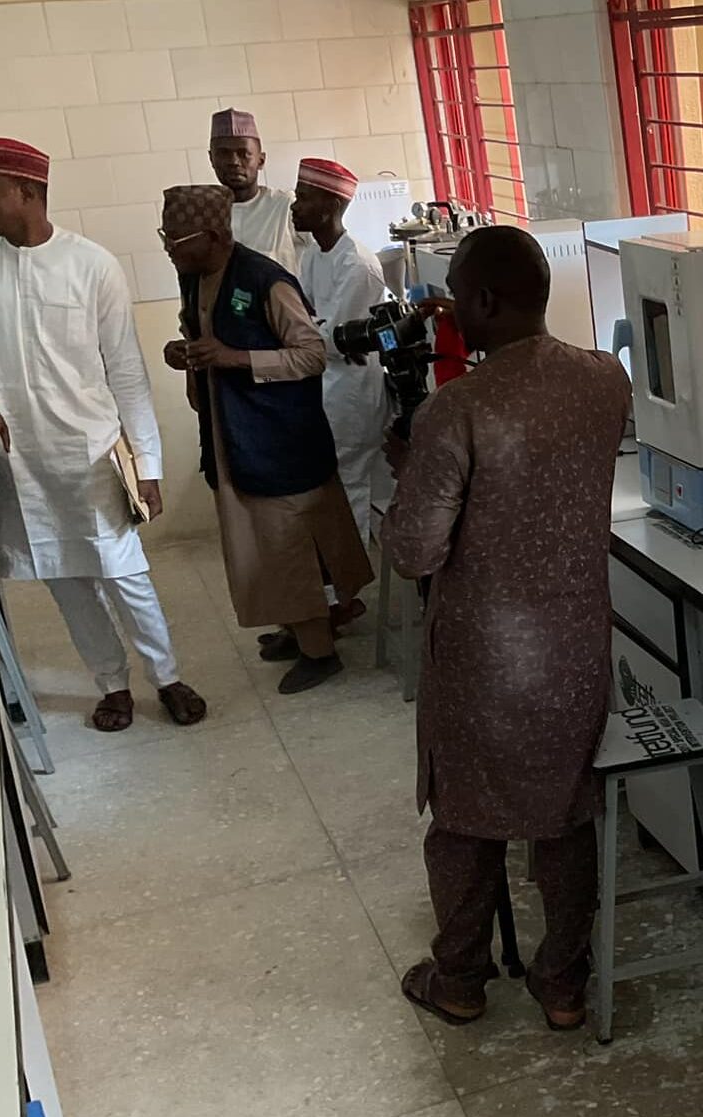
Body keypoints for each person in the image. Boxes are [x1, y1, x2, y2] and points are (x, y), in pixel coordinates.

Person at [386, 226, 631, 1030]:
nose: (451, 308)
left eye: (456, 293)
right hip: (574, 647)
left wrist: (407, 476)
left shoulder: (456, 410)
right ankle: (563, 984)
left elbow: (416, 551)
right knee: (563, 813)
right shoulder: (604, 381)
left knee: (463, 820)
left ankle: (458, 975)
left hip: (482, 659)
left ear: (486, 300)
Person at [0, 137, 207, 732]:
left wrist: (149, 466)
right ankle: (111, 685)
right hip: (22, 463)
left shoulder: (92, 265)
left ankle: (165, 677)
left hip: (91, 455)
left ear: (28, 192)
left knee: (124, 575)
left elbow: (129, 375)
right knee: (65, 581)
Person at [159, 184, 372, 694]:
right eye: (164, 238)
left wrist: (236, 359)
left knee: (288, 545)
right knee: (260, 545)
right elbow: (204, 334)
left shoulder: (264, 280)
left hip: (278, 437)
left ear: (211, 236)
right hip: (234, 432)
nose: (169, 249)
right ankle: (295, 629)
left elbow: (311, 354)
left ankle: (319, 651)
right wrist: (185, 352)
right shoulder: (196, 275)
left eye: (176, 240)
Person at [291, 157, 390, 543]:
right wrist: (311, 330)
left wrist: (310, 331)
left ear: (331, 206)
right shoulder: (315, 254)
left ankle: (352, 587)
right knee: (351, 485)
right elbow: (304, 318)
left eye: (303, 197)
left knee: (353, 487)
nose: (294, 206)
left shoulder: (358, 265)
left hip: (351, 394)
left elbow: (330, 340)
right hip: (327, 387)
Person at [207, 108, 306, 272]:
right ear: (211, 159)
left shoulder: (285, 206)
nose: (234, 162)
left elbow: (325, 255)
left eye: (243, 153)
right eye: (223, 153)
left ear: (261, 160)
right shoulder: (204, 214)